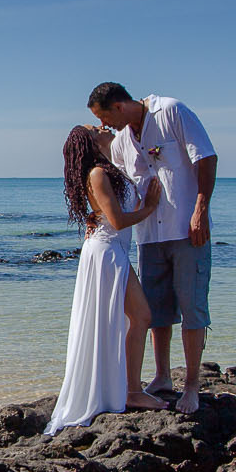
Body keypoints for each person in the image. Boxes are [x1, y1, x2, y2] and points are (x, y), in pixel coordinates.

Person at [86, 82, 218, 414]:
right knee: (156, 310)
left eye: (105, 118)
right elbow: (114, 185)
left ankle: (191, 385)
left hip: (186, 228)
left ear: (118, 106)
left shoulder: (171, 110)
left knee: (192, 307)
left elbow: (206, 157)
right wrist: (96, 212)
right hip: (148, 235)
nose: (105, 126)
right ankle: (161, 377)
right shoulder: (120, 143)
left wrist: (200, 209)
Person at [44, 125, 165, 435]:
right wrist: (150, 208)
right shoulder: (98, 174)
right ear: (90, 143)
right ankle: (132, 391)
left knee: (133, 319)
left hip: (113, 248)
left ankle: (126, 388)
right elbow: (118, 220)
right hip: (107, 251)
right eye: (96, 128)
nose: (103, 127)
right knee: (141, 317)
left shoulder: (110, 169)